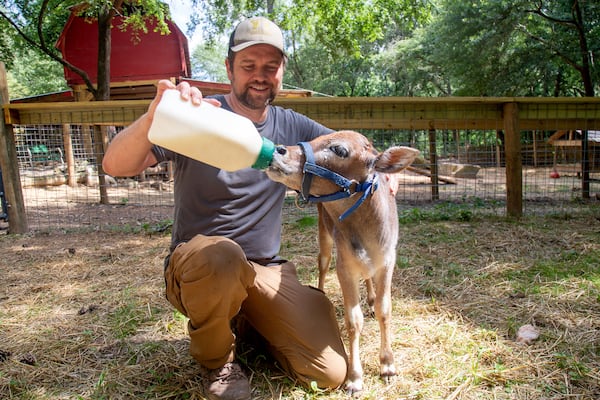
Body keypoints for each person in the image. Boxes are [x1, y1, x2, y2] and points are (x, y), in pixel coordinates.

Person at [102, 16, 348, 400]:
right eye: (248, 66)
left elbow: (345, 148)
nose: (260, 76)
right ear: (229, 69)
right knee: (222, 256)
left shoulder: (292, 124)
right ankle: (219, 362)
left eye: (270, 67)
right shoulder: (200, 115)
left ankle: (249, 323)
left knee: (329, 372)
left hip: (262, 270)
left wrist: (382, 170)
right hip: (200, 264)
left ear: (282, 70)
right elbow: (116, 165)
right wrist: (155, 116)